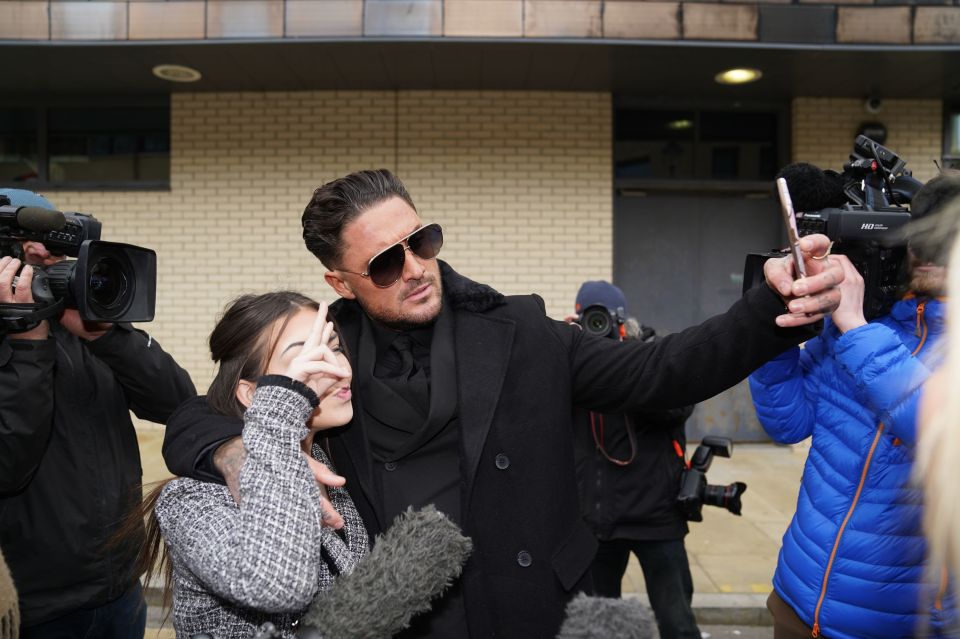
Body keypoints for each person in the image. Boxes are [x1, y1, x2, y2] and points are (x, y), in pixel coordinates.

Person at [163, 168, 843, 637]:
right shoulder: (329, 348)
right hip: (403, 612)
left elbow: (659, 371)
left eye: (421, 242)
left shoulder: (518, 329)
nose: (417, 268)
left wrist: (769, 307)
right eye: (386, 264)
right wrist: (231, 450)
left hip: (531, 603)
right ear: (340, 278)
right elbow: (206, 406)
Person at [749, 172, 960, 639]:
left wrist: (858, 328)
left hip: (893, 625)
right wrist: (775, 330)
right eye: (920, 236)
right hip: (797, 600)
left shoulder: (865, 329)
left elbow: (940, 431)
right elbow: (789, 423)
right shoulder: (871, 324)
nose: (927, 251)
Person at [0, 189, 196, 638]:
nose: (44, 259)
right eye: (25, 248)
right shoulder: (23, 338)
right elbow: (7, 465)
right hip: (34, 606)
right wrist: (27, 344)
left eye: (54, 246)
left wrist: (107, 336)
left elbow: (178, 401)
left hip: (120, 589)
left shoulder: (84, 325)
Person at [142, 292, 367, 638]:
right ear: (252, 394)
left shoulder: (324, 459)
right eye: (307, 359)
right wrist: (283, 406)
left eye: (334, 348)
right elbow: (278, 584)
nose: (338, 369)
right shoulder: (194, 498)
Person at [568, 281, 700, 639]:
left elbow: (677, 408)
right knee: (598, 624)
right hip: (599, 520)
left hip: (655, 518)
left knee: (677, 622)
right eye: (588, 320)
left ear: (623, 321)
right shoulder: (573, 362)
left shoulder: (652, 356)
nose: (597, 329)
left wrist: (625, 362)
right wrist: (559, 349)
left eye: (603, 319)